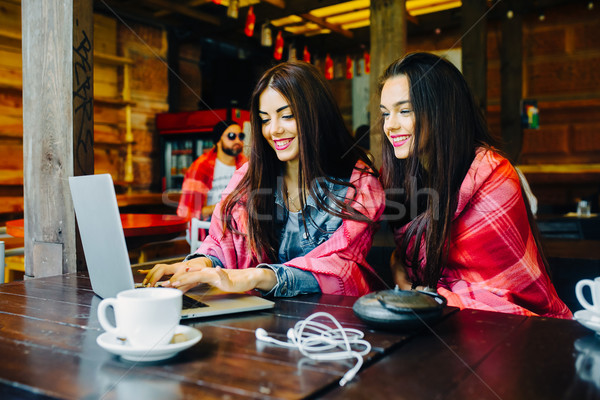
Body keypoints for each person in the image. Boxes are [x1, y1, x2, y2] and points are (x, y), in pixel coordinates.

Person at [144, 61, 385, 297]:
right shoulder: (248, 177)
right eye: (265, 119)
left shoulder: (359, 184)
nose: (274, 130)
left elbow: (342, 269)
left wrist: (257, 277)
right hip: (261, 319)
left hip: (333, 323)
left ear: (318, 114)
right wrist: (199, 264)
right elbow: (223, 240)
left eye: (286, 116)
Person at [378, 52, 571, 319]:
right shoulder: (410, 174)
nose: (390, 125)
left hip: (513, 333)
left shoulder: (494, 176)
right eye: (385, 113)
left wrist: (414, 290)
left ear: (442, 110)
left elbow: (500, 295)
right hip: (440, 329)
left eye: (405, 111)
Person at [177, 120, 248, 221]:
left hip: (239, 222)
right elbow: (191, 213)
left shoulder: (246, 165)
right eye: (231, 136)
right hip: (209, 224)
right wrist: (223, 206)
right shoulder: (200, 167)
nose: (237, 140)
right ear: (218, 141)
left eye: (240, 136)